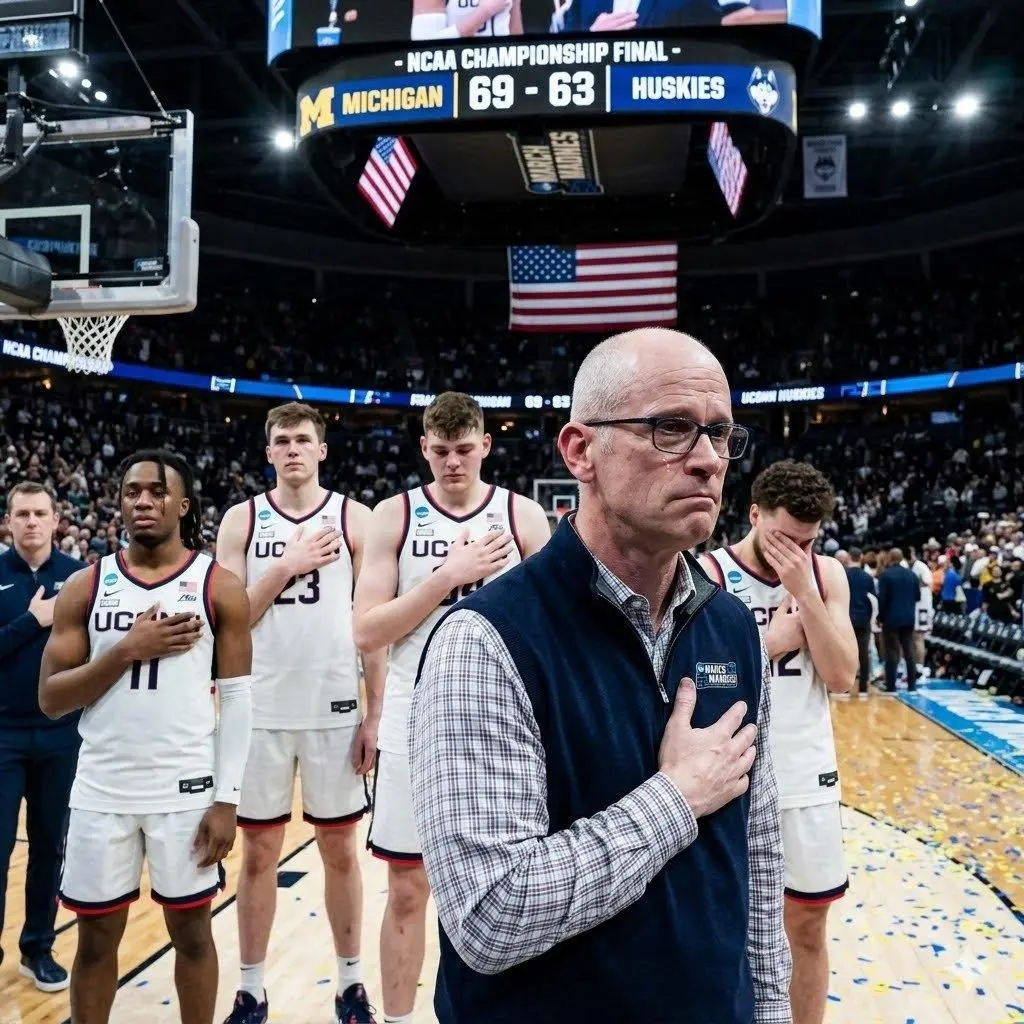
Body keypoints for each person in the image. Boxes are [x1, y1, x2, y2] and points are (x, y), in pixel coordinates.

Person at [408, 331, 790, 1024]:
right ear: (580, 451)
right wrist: (676, 798)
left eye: (719, 433)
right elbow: (491, 914)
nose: (707, 460)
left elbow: (757, 868)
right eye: (672, 429)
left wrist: (770, 1011)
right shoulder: (484, 641)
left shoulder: (734, 628)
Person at [353, 391, 551, 1024]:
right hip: (416, 720)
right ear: (423, 449)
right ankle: (398, 1019)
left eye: (465, 450)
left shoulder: (524, 518)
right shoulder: (395, 515)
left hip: (500, 724)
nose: (453, 463)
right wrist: (446, 575)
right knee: (407, 888)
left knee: (505, 892)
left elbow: (550, 632)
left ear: (486, 445)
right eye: (440, 452)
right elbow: (366, 631)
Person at [38, 449, 254, 1024]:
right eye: (133, 491)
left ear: (182, 505)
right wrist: (127, 651)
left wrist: (227, 800)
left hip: (184, 789)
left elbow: (236, 704)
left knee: (192, 933)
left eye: (157, 492)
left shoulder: (220, 586)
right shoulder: (86, 586)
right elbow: (52, 697)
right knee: (95, 941)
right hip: (101, 789)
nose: (143, 500)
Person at [215, 402, 384, 1024]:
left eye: (302, 440)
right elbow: (229, 618)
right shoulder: (241, 520)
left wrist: (375, 714)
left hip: (334, 707)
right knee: (257, 852)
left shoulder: (354, 518)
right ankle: (252, 989)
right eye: (281, 440)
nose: (291, 449)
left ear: (322, 450)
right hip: (258, 710)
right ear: (268, 452)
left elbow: (372, 631)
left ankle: (349, 985)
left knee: (340, 850)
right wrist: (286, 564)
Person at [702, 459, 856, 1024]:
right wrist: (773, 640)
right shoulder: (709, 575)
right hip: (733, 778)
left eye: (807, 541)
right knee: (732, 930)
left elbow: (842, 678)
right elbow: (698, 682)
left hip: (807, 775)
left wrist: (806, 598)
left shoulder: (827, 574)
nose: (795, 550)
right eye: (783, 537)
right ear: (754, 514)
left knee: (809, 927)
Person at [0, 482, 82, 991]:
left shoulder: (78, 578)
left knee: (50, 846)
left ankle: (38, 949)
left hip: (61, 735)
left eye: (39, 514)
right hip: (2, 734)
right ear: (8, 522)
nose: (31, 522)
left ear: (56, 520)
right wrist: (32, 621)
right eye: (21, 514)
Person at [876, 548, 920, 693]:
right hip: (909, 618)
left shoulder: (886, 575)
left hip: (891, 619)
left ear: (890, 558)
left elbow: (882, 599)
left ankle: (891, 686)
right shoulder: (912, 575)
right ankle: (912, 685)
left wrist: (879, 617)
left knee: (892, 652)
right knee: (909, 651)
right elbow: (917, 597)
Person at [844, 547, 877, 699]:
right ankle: (863, 688)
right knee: (864, 655)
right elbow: (873, 600)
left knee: (844, 654)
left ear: (849, 557)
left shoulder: (843, 574)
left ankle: (843, 689)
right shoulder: (867, 577)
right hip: (864, 619)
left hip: (845, 619)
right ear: (861, 557)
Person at [907, 546, 933, 669]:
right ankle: (913, 667)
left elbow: (927, 582)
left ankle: (920, 668)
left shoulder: (921, 566)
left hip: (923, 605)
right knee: (912, 638)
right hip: (915, 605)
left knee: (918, 638)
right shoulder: (909, 566)